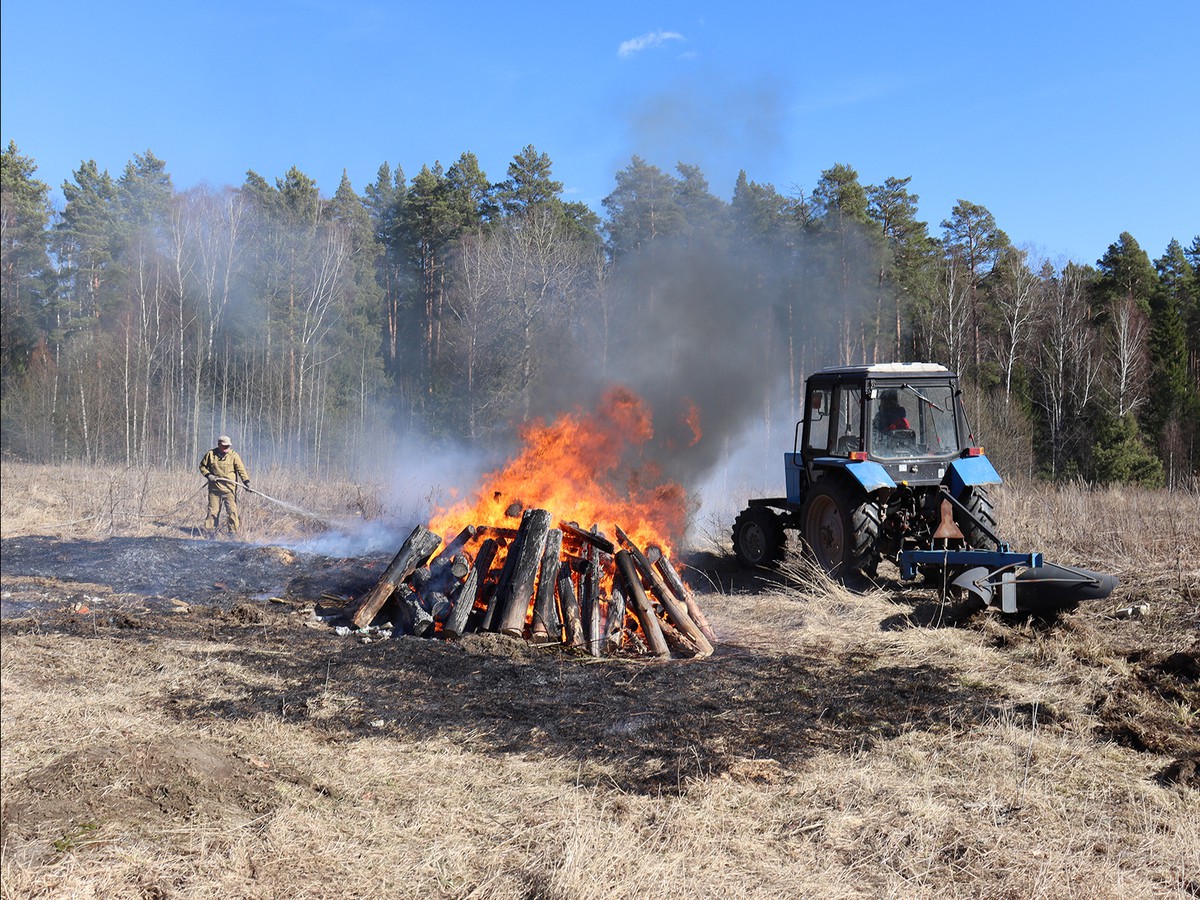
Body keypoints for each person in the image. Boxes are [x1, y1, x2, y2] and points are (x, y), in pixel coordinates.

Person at [199, 435, 250, 536]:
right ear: (219, 445)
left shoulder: (234, 455)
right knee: (213, 511)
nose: (227, 448)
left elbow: (241, 470)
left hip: (229, 489)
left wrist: (246, 482)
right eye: (224, 446)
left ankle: (233, 533)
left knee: (232, 511)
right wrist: (209, 475)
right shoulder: (210, 454)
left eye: (228, 446)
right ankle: (210, 533)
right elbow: (202, 467)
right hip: (214, 489)